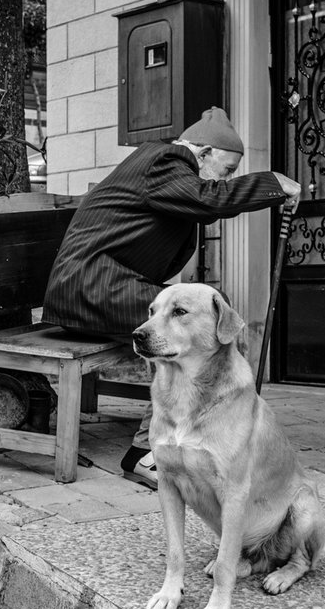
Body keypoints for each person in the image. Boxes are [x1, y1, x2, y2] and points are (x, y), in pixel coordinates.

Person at [43, 106, 301, 488]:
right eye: (226, 170)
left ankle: (198, 433)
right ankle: (147, 452)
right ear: (202, 153)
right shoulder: (166, 159)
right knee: (193, 328)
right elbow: (209, 198)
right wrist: (274, 183)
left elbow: (203, 201)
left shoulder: (168, 170)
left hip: (101, 285)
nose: (224, 179)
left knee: (207, 317)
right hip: (89, 286)